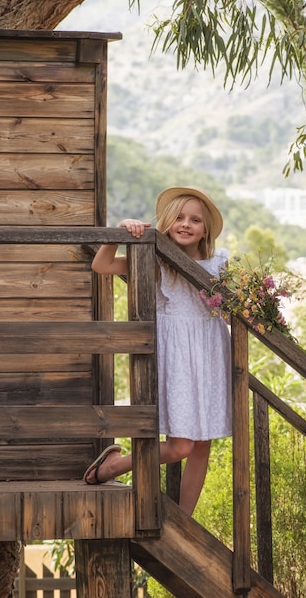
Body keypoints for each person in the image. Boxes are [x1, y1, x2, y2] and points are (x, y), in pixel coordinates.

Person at [83, 186, 232, 516]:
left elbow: (235, 304)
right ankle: (113, 466)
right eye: (179, 217)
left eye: (195, 220)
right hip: (176, 356)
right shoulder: (155, 259)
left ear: (205, 229)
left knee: (202, 445)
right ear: (167, 221)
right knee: (181, 446)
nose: (186, 224)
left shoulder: (220, 263)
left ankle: (185, 518)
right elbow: (101, 266)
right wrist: (120, 231)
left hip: (209, 356)